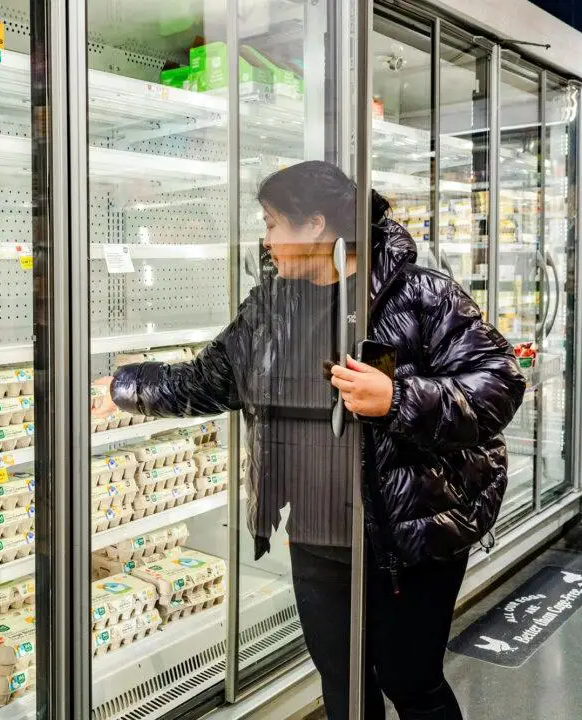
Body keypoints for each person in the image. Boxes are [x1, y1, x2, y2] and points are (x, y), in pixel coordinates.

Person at [92, 161, 526, 720]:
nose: (265, 237)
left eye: (273, 223)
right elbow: (207, 382)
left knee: (408, 678)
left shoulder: (419, 295)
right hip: (318, 531)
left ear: (316, 224)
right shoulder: (271, 306)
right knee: (342, 684)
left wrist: (397, 398)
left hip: (409, 533)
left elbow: (499, 385)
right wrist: (125, 386)